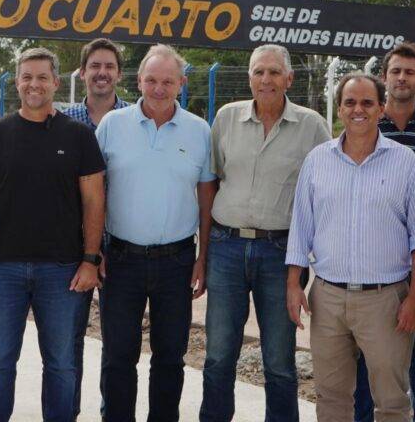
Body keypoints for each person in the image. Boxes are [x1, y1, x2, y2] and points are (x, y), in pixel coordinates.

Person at [0, 47, 105, 422]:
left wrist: (90, 260)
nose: (34, 84)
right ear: (17, 81)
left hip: (61, 271)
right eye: (27, 76)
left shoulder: (79, 137)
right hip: (1, 271)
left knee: (60, 364)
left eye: (42, 77)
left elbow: (94, 202)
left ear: (57, 82)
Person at [200, 44, 330, 422]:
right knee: (219, 355)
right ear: (249, 78)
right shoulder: (226, 118)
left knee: (278, 361)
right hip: (225, 248)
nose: (266, 80)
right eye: (259, 72)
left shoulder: (312, 126)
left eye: (274, 72)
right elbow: (213, 182)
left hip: (281, 253)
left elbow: (322, 191)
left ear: (289, 78)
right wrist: (204, 253)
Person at [285, 73, 415, 422]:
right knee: (331, 398)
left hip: (386, 300)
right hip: (328, 297)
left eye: (366, 103)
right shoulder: (318, 160)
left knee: (392, 401)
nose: (357, 110)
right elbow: (301, 227)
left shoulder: (405, 162)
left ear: (382, 108)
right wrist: (293, 285)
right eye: (350, 102)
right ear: (340, 109)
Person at [95, 44, 215, 421]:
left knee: (170, 357)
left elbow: (207, 197)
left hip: (176, 262)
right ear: (139, 81)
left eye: (167, 81)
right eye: (151, 80)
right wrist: (93, 249)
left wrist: (203, 258)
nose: (158, 88)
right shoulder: (112, 126)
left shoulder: (199, 131)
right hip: (120, 260)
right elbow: (95, 192)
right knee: (117, 357)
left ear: (181, 82)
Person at [354, 42, 415, 422]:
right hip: (375, 265)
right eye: (395, 71)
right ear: (384, 77)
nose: (401, 78)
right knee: (365, 356)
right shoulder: (365, 123)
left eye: (409, 72)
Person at [60, 37, 130, 417]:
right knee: (67, 345)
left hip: (122, 249)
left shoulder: (137, 120)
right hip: (73, 251)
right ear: (82, 72)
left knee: (117, 346)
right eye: (94, 66)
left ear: (119, 73)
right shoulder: (63, 121)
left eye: (109, 67)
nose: (101, 73)